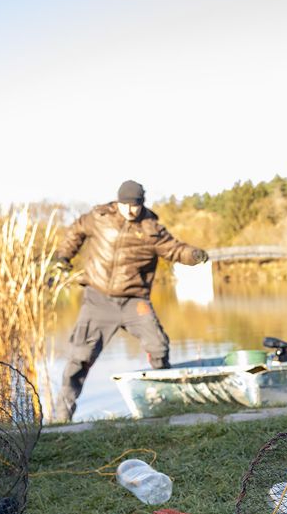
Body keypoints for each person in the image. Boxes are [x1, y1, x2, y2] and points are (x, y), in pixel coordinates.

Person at [53, 180, 209, 422]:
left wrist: (194, 255)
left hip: (135, 300)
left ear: (142, 204)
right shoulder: (99, 217)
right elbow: (75, 231)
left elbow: (176, 250)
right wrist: (63, 256)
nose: (130, 211)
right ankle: (61, 419)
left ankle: (165, 405)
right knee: (79, 357)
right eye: (126, 205)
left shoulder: (152, 228)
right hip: (98, 299)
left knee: (158, 345)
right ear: (117, 202)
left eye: (135, 206)